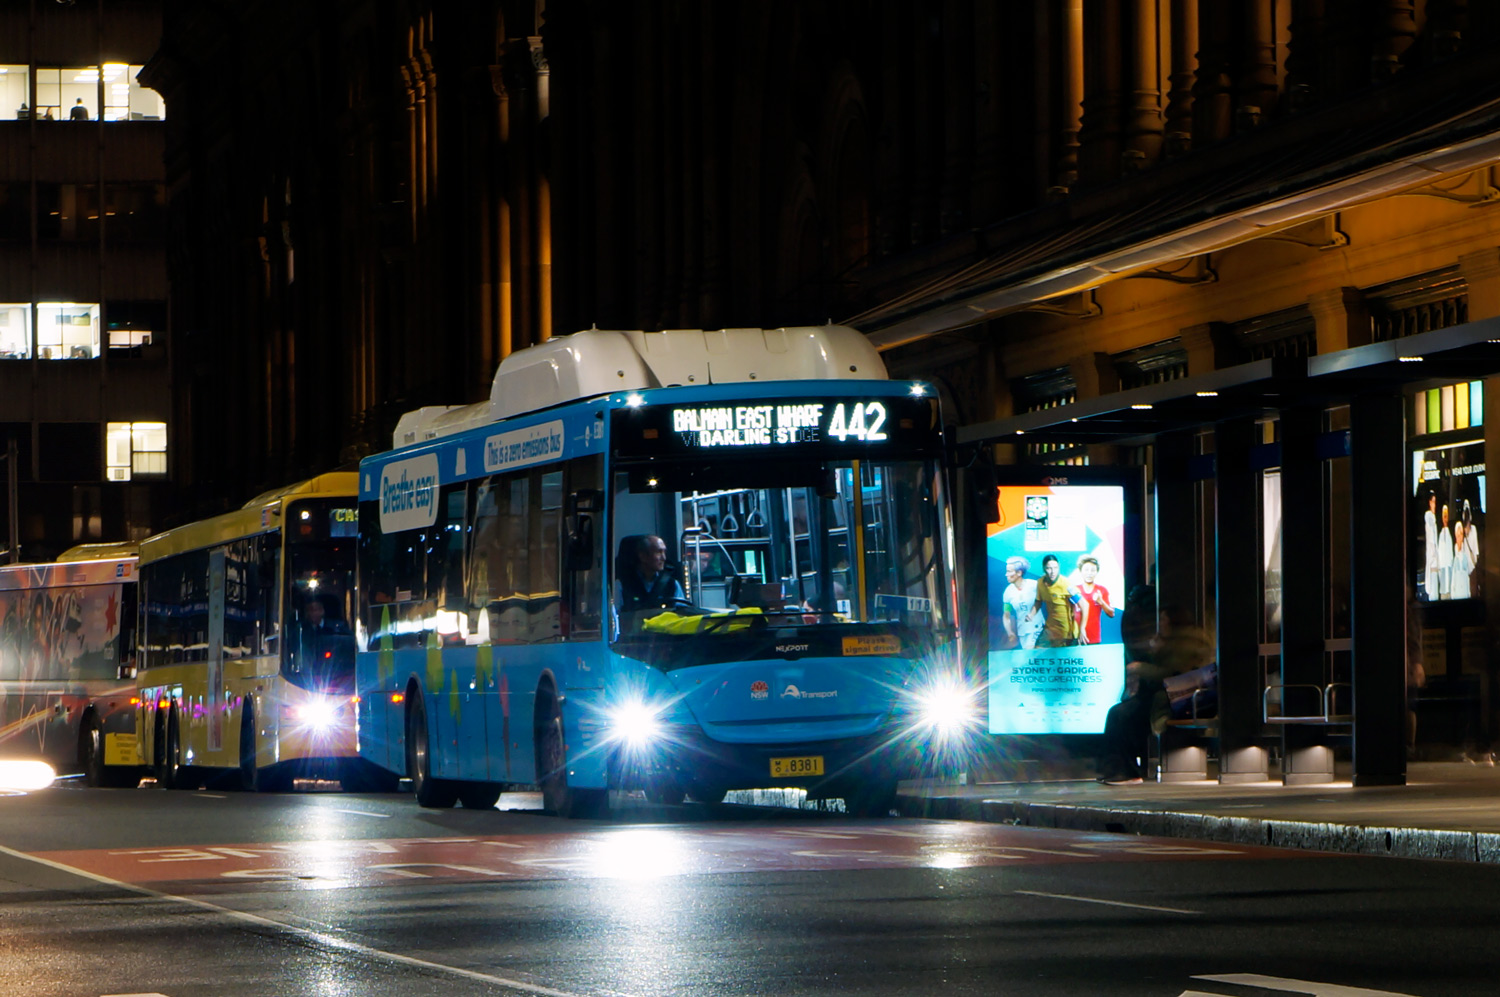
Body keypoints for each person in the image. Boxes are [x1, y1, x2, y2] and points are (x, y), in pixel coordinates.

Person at [615, 534, 686, 615]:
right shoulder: (622, 585)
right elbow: (616, 615)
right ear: (643, 556)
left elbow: (682, 613)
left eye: (664, 552)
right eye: (659, 552)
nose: (664, 558)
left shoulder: (672, 584)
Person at [1031, 554, 1079, 647]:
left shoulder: (1066, 584)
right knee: (1037, 650)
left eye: (1055, 568)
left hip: (1066, 632)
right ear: (1044, 568)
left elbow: (1083, 605)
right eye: (1049, 568)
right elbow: (1038, 601)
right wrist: (1031, 615)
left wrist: (1082, 629)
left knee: (1062, 658)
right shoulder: (1040, 583)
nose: (1052, 572)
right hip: (1050, 628)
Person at [1000, 556, 1042, 650]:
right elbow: (1006, 615)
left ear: (1019, 572)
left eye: (1009, 571)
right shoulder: (1008, 592)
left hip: (1038, 628)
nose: (1006, 574)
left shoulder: (1034, 585)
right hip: (1023, 632)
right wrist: (1010, 632)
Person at [1074, 555, 1114, 645]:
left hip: (1094, 638)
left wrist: (1101, 602)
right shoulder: (1075, 590)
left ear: (1097, 572)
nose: (1089, 573)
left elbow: (1111, 614)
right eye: (1086, 570)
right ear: (1080, 571)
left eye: (1093, 570)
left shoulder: (1102, 590)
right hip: (1076, 637)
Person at [1423, 492, 1440, 601]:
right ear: (1430, 502)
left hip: (1434, 557)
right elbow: (1431, 537)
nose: (1435, 504)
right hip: (1432, 556)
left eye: (1435, 502)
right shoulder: (1429, 515)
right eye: (1433, 501)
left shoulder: (1432, 517)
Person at [1437, 504, 1454, 600]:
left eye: (1446, 516)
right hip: (1443, 569)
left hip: (1449, 568)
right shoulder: (1441, 534)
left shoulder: (1449, 533)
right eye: (1444, 516)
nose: (1445, 518)